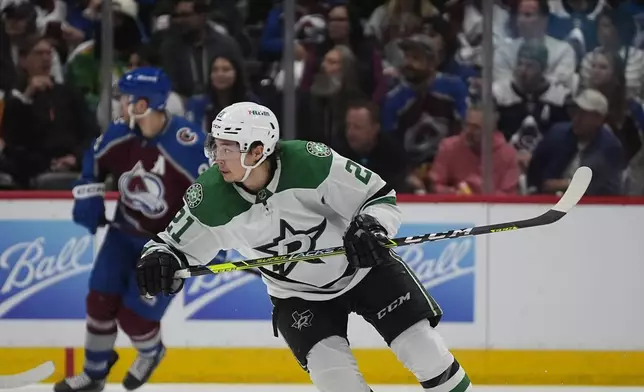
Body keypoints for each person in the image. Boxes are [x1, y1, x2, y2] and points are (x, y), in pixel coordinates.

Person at [135, 102, 474, 392]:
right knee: (336, 380)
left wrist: (372, 227)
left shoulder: (312, 162)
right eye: (216, 146)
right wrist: (159, 258)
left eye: (228, 148)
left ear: (258, 150)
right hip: (297, 295)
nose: (217, 157)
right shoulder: (209, 197)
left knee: (426, 353)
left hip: (366, 271)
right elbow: (171, 246)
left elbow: (378, 197)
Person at [55, 67, 211, 392]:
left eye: (126, 98)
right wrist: (90, 193)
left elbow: (213, 197)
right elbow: (93, 162)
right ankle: (94, 374)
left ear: (145, 103)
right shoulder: (119, 134)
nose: (120, 104)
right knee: (99, 300)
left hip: (167, 248)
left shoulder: (188, 144)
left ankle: (151, 353)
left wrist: (211, 241)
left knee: (134, 318)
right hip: (123, 234)